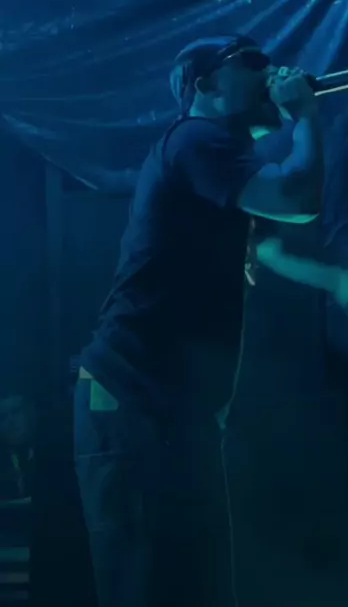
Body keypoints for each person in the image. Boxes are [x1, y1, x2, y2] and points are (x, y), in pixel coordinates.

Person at [74, 33, 323, 607]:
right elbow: (298, 196)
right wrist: (305, 115)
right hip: (134, 399)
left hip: (168, 409)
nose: (268, 70)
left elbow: (264, 237)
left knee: (196, 587)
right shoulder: (194, 138)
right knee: (151, 587)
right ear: (206, 84)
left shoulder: (214, 159)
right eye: (250, 62)